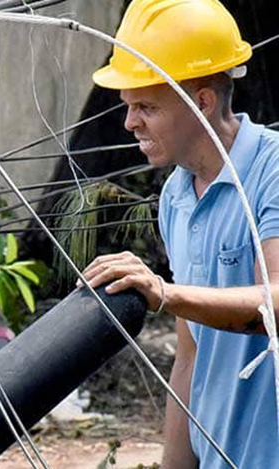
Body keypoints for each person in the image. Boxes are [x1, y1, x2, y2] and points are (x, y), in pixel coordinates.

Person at [82, 0, 279, 468]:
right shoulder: (176, 196)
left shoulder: (272, 170)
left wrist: (165, 293)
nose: (130, 123)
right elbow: (189, 354)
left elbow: (276, 304)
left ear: (203, 101)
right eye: (129, 106)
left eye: (146, 105)